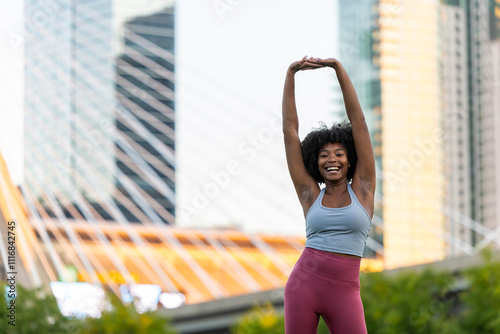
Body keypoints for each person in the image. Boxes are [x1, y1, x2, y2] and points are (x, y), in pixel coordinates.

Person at [282, 56, 375, 334]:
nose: (331, 159)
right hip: (303, 286)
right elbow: (289, 131)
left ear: (350, 159)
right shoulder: (310, 195)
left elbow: (358, 121)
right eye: (323, 155)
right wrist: (291, 75)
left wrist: (338, 69)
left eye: (339, 153)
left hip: (345, 292)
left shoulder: (364, 188)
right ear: (316, 162)